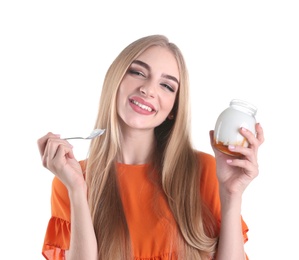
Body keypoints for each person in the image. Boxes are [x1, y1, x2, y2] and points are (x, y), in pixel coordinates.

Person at [37, 34, 264, 260]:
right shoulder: (71, 180)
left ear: (173, 108)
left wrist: (231, 194)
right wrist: (77, 190)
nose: (148, 89)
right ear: (115, 80)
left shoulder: (205, 172)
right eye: (138, 72)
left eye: (166, 85)